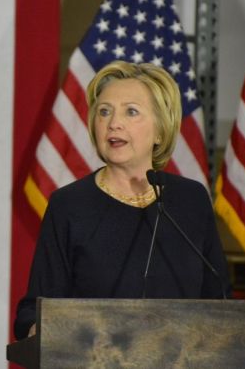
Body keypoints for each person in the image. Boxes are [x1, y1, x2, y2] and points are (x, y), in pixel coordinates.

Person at [14, 60, 231, 340]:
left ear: (161, 130)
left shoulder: (191, 200)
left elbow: (221, 301)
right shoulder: (69, 205)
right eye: (104, 112)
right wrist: (41, 335)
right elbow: (33, 311)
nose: (113, 123)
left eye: (131, 112)